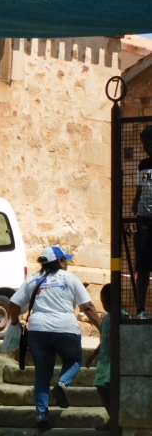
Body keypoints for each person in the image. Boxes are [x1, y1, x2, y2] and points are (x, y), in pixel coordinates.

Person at [9, 245, 102, 432]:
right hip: (65, 328)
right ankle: (61, 384)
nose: (67, 262)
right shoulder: (70, 278)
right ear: (59, 262)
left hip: (38, 330)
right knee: (75, 360)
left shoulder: (33, 280)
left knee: (42, 374)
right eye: (65, 259)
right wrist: (101, 328)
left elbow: (13, 304)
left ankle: (41, 417)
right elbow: (88, 307)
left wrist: (14, 323)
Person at [85, 283, 130, 431]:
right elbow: (103, 339)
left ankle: (117, 418)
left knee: (111, 386)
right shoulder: (106, 317)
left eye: (108, 302)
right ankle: (113, 417)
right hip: (104, 360)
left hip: (115, 360)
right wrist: (93, 355)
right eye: (103, 303)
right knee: (100, 386)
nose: (105, 306)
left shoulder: (123, 317)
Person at [132, 124, 152, 319]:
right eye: (144, 143)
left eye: (149, 142)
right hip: (144, 220)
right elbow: (140, 188)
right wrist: (135, 204)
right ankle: (141, 309)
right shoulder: (143, 165)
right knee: (143, 267)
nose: (147, 146)